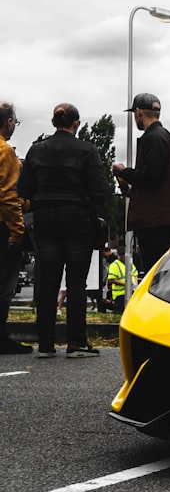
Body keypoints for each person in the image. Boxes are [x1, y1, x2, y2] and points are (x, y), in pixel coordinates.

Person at [17, 103, 110, 358]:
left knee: (47, 283)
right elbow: (101, 190)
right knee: (77, 283)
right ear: (76, 123)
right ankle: (76, 342)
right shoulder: (87, 151)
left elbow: (23, 190)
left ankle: (45, 343)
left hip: (45, 219)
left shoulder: (37, 150)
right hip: (78, 219)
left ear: (52, 122)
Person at [112, 93, 170, 274]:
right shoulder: (163, 136)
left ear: (139, 112)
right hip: (162, 218)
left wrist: (123, 171)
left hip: (155, 221)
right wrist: (133, 191)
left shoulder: (154, 137)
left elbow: (150, 177)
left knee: (156, 272)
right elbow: (158, 181)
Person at [0, 101, 32, 354]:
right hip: (2, 226)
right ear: (8, 122)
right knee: (4, 284)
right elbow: (8, 197)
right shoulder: (6, 152)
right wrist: (17, 232)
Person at [104, 247, 137, 313]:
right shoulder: (114, 265)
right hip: (119, 295)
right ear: (118, 255)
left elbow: (135, 274)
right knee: (119, 313)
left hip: (131, 292)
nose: (122, 256)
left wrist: (134, 284)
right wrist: (126, 284)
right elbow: (111, 279)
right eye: (120, 254)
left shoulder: (130, 264)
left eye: (123, 254)